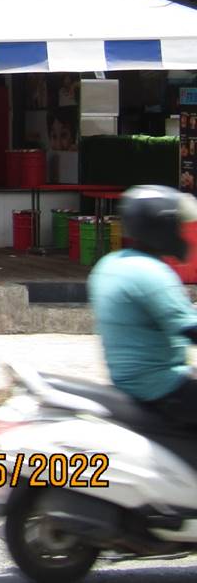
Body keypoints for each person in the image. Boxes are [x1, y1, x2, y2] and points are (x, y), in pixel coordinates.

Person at [88, 184, 197, 431]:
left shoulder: (110, 264)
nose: (183, 232)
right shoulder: (151, 273)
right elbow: (189, 328)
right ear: (163, 226)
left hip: (127, 382)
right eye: (179, 225)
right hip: (162, 388)